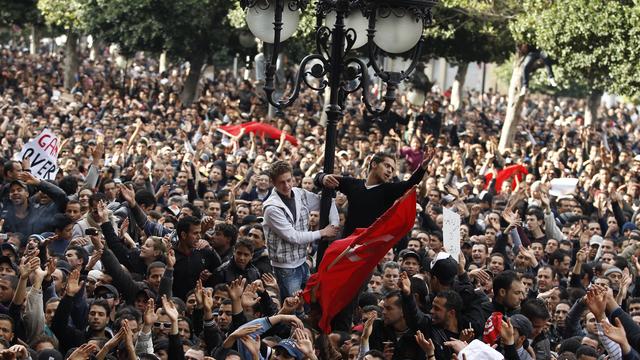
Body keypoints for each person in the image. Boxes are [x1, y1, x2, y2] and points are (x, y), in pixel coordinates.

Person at [262, 161, 339, 299]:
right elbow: (293, 236)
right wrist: (322, 232)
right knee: (293, 307)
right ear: (273, 183)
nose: (286, 186)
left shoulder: (300, 194)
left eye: (289, 180)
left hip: (302, 260)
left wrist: (334, 224)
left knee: (308, 300)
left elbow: (327, 202)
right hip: (286, 267)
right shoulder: (271, 208)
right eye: (281, 182)